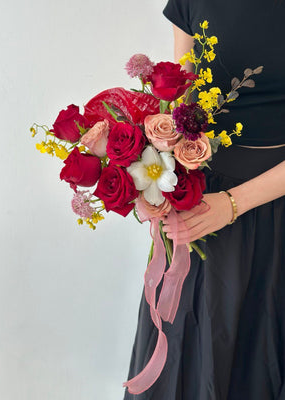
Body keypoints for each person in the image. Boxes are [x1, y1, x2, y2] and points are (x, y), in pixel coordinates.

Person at [123, 0, 285, 399]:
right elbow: (184, 100)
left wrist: (232, 204)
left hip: (272, 204)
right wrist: (163, 183)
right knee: (192, 357)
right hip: (201, 203)